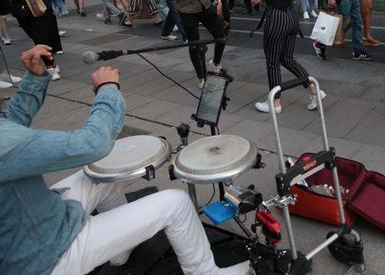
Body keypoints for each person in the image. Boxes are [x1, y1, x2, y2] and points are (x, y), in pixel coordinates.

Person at [0, 45, 252, 275]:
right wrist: (107, 90)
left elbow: (10, 126)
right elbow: (93, 144)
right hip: (47, 254)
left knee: (98, 176)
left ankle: (118, 248)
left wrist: (33, 79)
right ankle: (206, 273)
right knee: (177, 203)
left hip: (33, 224)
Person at [250, 0, 326, 113]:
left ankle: (274, 103)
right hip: (291, 15)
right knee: (287, 58)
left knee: (273, 62)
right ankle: (314, 91)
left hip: (276, 17)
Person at [2, 0, 63, 80]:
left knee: (40, 37)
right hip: (21, 9)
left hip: (38, 7)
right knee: (36, 38)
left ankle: (51, 67)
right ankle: (50, 60)